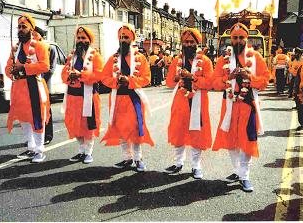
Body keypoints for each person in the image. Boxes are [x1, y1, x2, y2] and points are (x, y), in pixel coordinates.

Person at [212, 23, 270, 192]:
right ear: (231, 39)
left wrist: (249, 77)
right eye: (235, 38)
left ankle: (245, 176)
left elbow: (265, 80)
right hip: (229, 103)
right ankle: (237, 171)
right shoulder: (223, 59)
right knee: (231, 140)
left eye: (241, 38)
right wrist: (227, 78)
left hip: (247, 104)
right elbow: (214, 82)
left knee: (247, 139)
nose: (238, 41)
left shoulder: (256, 57)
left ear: (246, 39)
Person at [101, 24, 154, 171]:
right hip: (118, 99)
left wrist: (130, 81)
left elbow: (146, 78)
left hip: (133, 99)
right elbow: (104, 77)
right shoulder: (113, 59)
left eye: (126, 37)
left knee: (135, 129)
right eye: (121, 37)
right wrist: (116, 81)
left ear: (132, 39)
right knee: (121, 130)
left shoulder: (140, 58)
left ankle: (138, 158)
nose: (123, 40)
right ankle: (127, 158)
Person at [164, 28, 213, 179]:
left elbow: (210, 83)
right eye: (186, 42)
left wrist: (192, 77)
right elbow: (169, 82)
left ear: (197, 43)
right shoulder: (176, 60)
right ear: (182, 43)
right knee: (178, 131)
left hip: (198, 101)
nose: (189, 44)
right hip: (180, 101)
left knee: (197, 133)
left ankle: (196, 166)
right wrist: (177, 78)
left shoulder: (205, 61)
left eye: (192, 42)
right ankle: (178, 163)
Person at [5, 14, 50, 163]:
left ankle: (39, 151)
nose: (21, 29)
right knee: (24, 118)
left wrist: (23, 67)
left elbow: (45, 66)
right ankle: (31, 148)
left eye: (24, 26)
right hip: (19, 88)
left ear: (31, 28)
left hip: (34, 87)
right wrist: (11, 71)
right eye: (19, 27)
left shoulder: (40, 45)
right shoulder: (16, 48)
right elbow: (8, 67)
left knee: (36, 118)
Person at [61, 26, 104, 164]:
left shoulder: (95, 56)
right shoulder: (71, 56)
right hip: (73, 97)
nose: (80, 40)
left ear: (89, 40)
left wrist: (82, 75)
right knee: (75, 125)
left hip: (89, 96)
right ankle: (81, 151)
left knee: (87, 125)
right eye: (78, 38)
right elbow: (63, 74)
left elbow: (99, 74)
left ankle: (88, 152)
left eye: (83, 38)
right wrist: (70, 75)